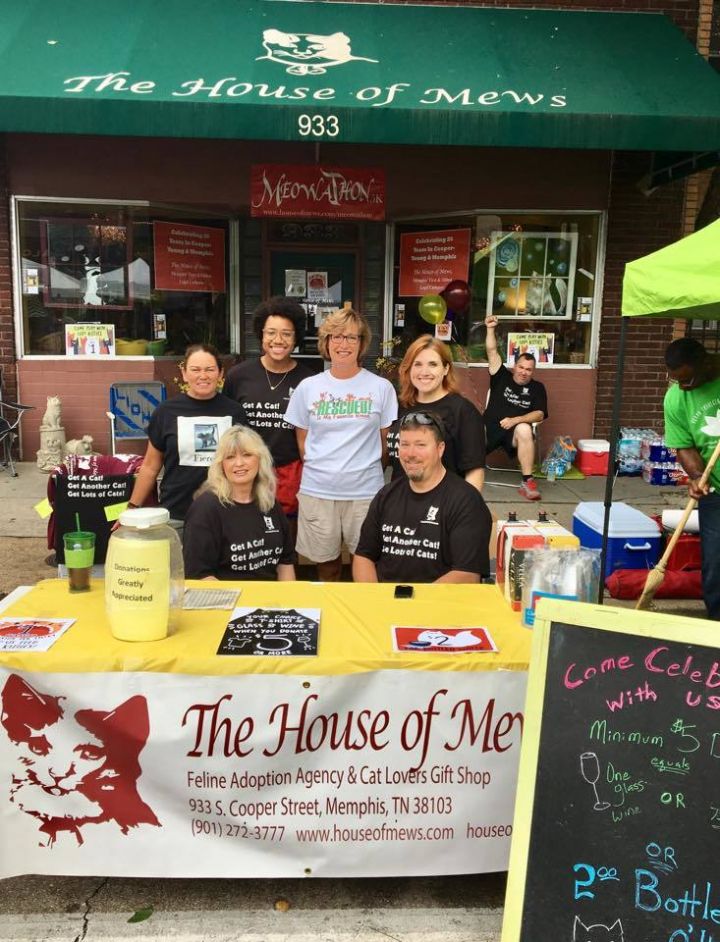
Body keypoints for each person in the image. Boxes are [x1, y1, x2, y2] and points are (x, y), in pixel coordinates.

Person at [284, 307, 398, 581]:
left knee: (366, 562)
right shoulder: (308, 387)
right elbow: (303, 442)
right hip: (318, 491)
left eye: (351, 337)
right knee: (326, 563)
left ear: (361, 344)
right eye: (335, 336)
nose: (342, 344)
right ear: (325, 342)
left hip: (365, 492)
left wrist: (362, 471)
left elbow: (385, 445)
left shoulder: (381, 388)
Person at [353, 411, 492, 584]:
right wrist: (376, 600)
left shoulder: (466, 501)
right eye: (404, 444)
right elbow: (364, 557)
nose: (410, 453)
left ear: (440, 449)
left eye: (420, 445)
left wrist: (412, 606)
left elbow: (467, 574)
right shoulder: (386, 495)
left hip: (438, 605)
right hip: (385, 603)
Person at [125, 344, 247, 530]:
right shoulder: (166, 412)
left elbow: (245, 463)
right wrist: (132, 508)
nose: (203, 376)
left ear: (221, 373)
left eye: (210, 369)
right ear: (184, 373)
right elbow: (150, 466)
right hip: (176, 514)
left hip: (225, 512)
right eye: (195, 370)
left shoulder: (235, 412)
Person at [223, 297, 314, 517]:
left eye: (286, 333)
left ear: (296, 338)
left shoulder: (309, 380)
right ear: (261, 334)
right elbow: (228, 427)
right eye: (271, 332)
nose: (278, 340)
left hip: (290, 472)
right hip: (246, 470)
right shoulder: (239, 376)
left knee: (286, 535)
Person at [183, 426, 295, 581]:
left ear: (260, 459)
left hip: (270, 601)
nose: (239, 463)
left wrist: (287, 603)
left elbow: (285, 563)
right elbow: (200, 574)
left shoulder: (269, 503)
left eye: (247, 455)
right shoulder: (205, 508)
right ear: (221, 464)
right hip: (226, 600)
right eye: (230, 457)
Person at [664, 337, 720, 621]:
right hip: (717, 492)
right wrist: (698, 477)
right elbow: (683, 445)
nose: (683, 387)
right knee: (715, 564)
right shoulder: (675, 398)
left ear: (706, 363)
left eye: (688, 379)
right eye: (676, 381)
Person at [388, 335, 485, 492]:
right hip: (400, 506)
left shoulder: (463, 411)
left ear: (446, 369)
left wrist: (466, 511)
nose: (424, 372)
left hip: (445, 509)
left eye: (433, 364)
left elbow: (474, 472)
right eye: (417, 364)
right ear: (409, 368)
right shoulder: (399, 407)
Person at [483, 313, 548, 501]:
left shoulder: (537, 388)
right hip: (489, 428)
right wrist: (490, 328)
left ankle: (527, 482)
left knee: (525, 429)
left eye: (528, 369)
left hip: (513, 433)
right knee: (470, 426)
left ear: (533, 371)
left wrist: (515, 420)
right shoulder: (500, 375)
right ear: (514, 366)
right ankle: (460, 473)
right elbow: (492, 351)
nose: (524, 372)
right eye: (521, 367)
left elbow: (539, 414)